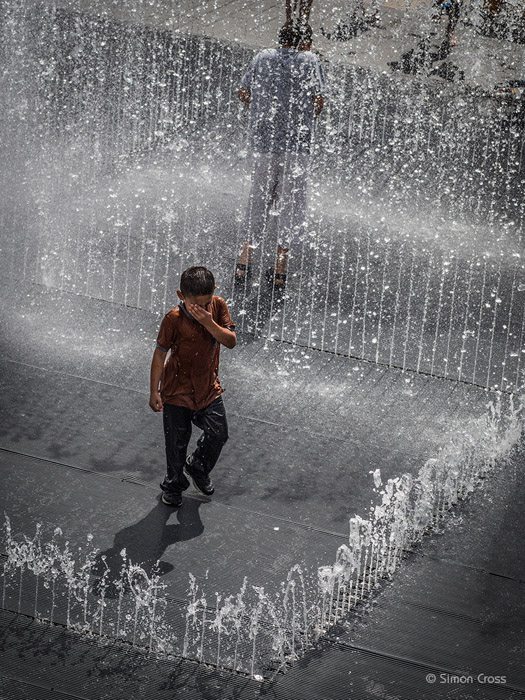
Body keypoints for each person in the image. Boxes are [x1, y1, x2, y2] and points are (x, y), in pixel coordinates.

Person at [235, 14, 325, 295]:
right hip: (296, 147)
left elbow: (243, 93)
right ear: (306, 42)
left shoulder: (262, 57)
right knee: (292, 205)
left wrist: (263, 109)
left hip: (264, 143)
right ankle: (279, 270)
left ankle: (244, 262)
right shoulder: (311, 60)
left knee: (259, 199)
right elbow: (318, 103)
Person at [149, 267, 236, 507]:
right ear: (181, 295)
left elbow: (230, 342)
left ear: (213, 293)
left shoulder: (217, 307)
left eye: (205, 303)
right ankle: (174, 485)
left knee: (219, 433)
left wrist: (209, 322)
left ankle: (198, 465)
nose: (202, 309)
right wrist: (153, 391)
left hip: (208, 387)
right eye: (195, 305)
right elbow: (159, 355)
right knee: (176, 442)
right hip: (176, 391)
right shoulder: (173, 319)